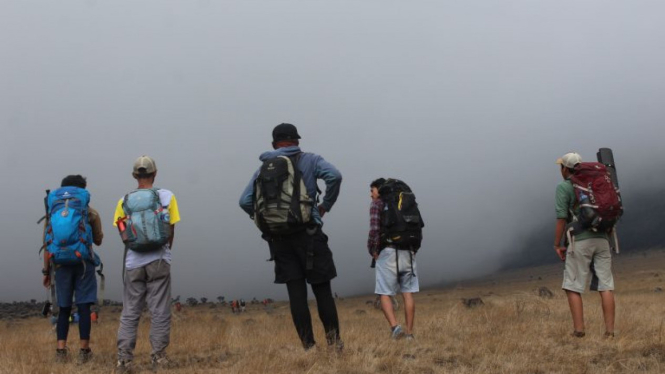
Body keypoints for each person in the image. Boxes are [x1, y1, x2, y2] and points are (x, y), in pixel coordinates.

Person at [239, 123, 343, 351]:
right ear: (297, 141)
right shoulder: (311, 160)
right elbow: (334, 176)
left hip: (280, 240)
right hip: (310, 234)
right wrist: (324, 206)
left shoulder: (264, 168)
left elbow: (244, 201)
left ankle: (309, 347)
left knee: (296, 294)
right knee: (322, 290)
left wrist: (267, 221)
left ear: (274, 144)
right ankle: (334, 346)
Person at [114, 156, 181, 373]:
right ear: (155, 173)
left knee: (130, 310)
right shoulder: (167, 196)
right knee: (159, 309)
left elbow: (123, 233)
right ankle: (158, 358)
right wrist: (165, 250)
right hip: (159, 259)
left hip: (133, 261)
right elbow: (171, 229)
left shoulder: (123, 200)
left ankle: (124, 360)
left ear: (135, 175)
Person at [42, 175, 103, 363]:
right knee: (84, 306)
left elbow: (47, 244)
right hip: (83, 263)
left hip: (60, 265)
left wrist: (46, 271)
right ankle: (84, 351)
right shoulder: (90, 213)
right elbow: (98, 240)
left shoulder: (52, 214)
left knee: (64, 308)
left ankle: (61, 351)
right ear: (82, 191)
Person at [553, 152, 615, 338]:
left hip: (580, 240)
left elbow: (562, 218)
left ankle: (579, 331)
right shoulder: (597, 183)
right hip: (603, 238)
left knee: (572, 286)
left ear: (566, 169)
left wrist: (557, 244)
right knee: (606, 286)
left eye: (561, 166)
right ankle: (610, 332)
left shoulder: (564, 187)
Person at [367, 178, 418, 340]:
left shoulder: (378, 204)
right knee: (407, 293)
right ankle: (409, 334)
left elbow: (374, 229)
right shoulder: (403, 202)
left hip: (387, 252)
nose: (371, 194)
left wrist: (373, 250)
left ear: (379, 189)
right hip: (408, 251)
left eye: (372, 190)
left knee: (384, 293)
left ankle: (395, 328)